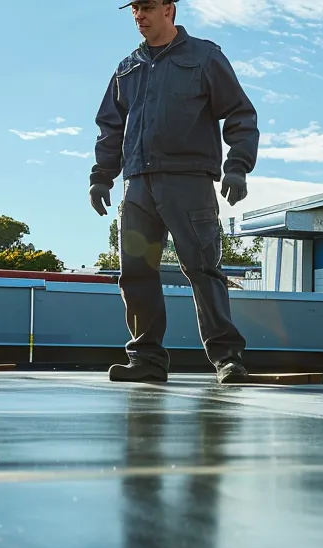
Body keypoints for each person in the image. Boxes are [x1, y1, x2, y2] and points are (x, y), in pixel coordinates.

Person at [89, 0, 259, 385]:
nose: (139, 16)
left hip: (188, 182)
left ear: (170, 9)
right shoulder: (127, 69)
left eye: (146, 7)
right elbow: (110, 127)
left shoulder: (205, 57)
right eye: (134, 9)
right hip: (137, 186)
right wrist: (102, 177)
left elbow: (240, 114)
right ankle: (146, 359)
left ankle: (227, 358)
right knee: (135, 273)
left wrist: (237, 167)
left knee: (203, 270)